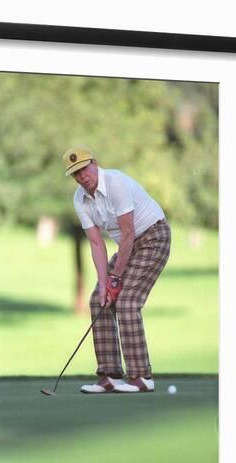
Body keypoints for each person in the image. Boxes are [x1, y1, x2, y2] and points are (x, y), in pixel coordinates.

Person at [62, 146, 171, 394]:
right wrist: (104, 283)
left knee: (127, 301)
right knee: (98, 299)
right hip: (127, 245)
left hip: (154, 237)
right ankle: (109, 376)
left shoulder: (116, 183)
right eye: (75, 173)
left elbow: (129, 233)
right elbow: (96, 242)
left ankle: (141, 377)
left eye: (83, 169)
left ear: (95, 163)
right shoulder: (80, 199)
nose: (81, 177)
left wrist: (116, 278)